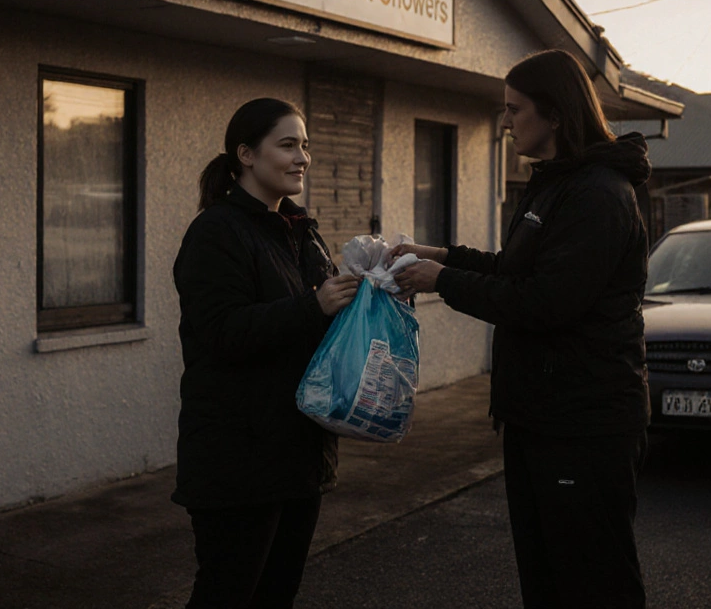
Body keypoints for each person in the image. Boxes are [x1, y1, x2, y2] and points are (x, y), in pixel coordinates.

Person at [393, 49, 653, 608]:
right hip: (539, 416)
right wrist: (436, 254)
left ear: (555, 114)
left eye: (515, 110)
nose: (505, 122)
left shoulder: (598, 195)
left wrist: (442, 279)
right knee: (547, 579)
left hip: (582, 425)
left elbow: (544, 301)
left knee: (594, 582)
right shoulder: (554, 184)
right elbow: (516, 269)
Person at [171, 97, 360, 609]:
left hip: (299, 454)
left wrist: (367, 299)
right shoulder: (217, 232)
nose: (303, 157)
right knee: (227, 595)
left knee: (277, 596)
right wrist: (315, 305)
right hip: (238, 462)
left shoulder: (301, 231)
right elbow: (221, 333)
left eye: (305, 145)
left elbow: (316, 322)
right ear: (246, 155)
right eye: (288, 145)